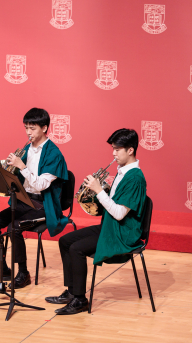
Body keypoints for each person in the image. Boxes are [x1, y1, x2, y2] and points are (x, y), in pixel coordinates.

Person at [46, 128, 147, 315]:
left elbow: (119, 214)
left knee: (77, 249)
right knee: (65, 241)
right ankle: (71, 291)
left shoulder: (135, 178)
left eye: (117, 149)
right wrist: (96, 193)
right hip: (109, 226)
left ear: (130, 150)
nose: (113, 153)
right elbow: (112, 204)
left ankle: (80, 299)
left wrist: (99, 191)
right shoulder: (122, 171)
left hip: (122, 233)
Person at [0, 108, 69, 289]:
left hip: (44, 205)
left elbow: (42, 185)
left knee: (14, 228)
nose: (29, 132)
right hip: (24, 200)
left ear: (44, 128)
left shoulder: (54, 154)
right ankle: (2, 268)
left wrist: (22, 167)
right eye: (26, 128)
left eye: (33, 128)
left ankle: (23, 273)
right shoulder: (27, 149)